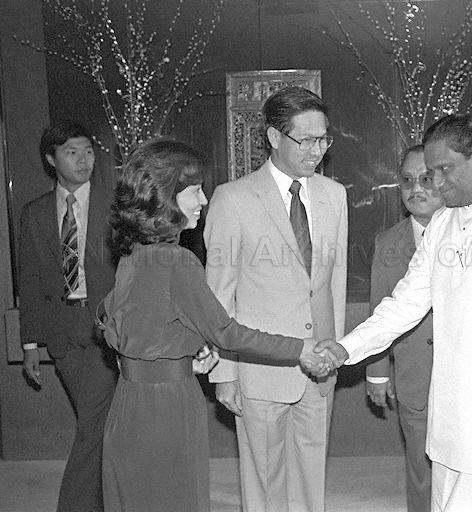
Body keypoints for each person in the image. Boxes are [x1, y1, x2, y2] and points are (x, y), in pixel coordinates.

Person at [319, 114, 472, 511]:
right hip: (449, 417)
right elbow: (404, 303)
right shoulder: (442, 223)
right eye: (431, 172)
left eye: (445, 170)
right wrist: (346, 350)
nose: (437, 183)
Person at [100, 137, 332, 512]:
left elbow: (128, 331)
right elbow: (227, 332)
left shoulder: (132, 255)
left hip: (128, 405)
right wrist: (299, 349)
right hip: (168, 410)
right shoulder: (177, 261)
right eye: (194, 190)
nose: (204, 200)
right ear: (164, 196)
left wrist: (180, 359)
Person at [205, 86, 348, 512]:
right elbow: (219, 296)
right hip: (259, 366)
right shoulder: (233, 199)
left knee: (310, 481)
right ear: (272, 136)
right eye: (305, 140)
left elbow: (331, 282)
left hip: (319, 366)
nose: (316, 150)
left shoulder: (333, 194)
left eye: (323, 139)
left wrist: (334, 350)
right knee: (265, 484)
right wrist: (224, 373)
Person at [19, 120, 118, 512]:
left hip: (106, 330)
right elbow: (28, 279)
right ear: (51, 159)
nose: (83, 160)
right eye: (72, 153)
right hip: (62, 333)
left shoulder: (117, 205)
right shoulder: (35, 213)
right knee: (95, 425)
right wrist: (30, 343)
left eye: (88, 152)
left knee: (92, 422)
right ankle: (111, 498)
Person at [365, 144, 444, 512]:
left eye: (427, 179)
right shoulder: (389, 242)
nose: (417, 189)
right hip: (415, 374)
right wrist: (378, 373)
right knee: (421, 466)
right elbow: (381, 307)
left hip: (467, 375)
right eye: (408, 180)